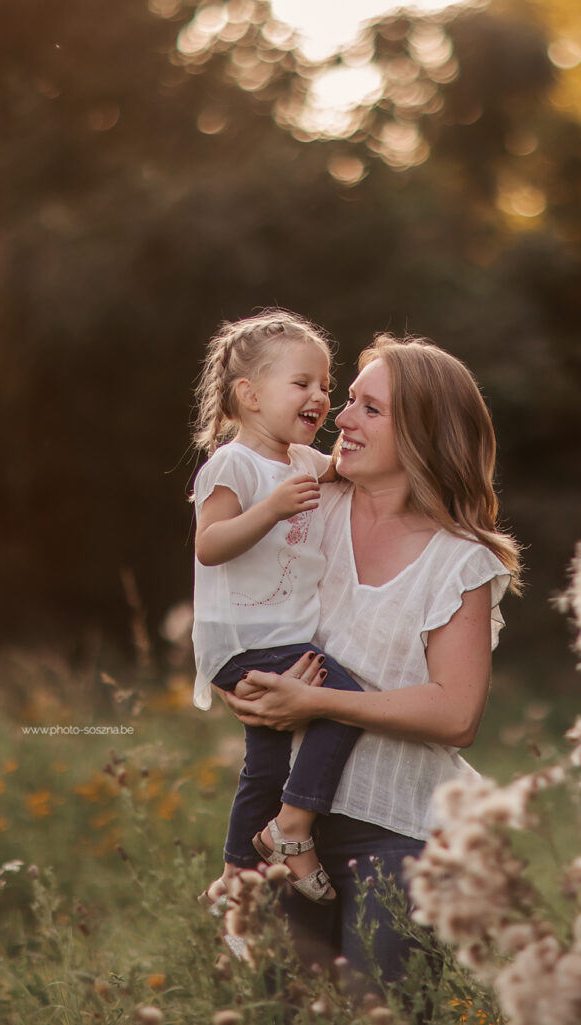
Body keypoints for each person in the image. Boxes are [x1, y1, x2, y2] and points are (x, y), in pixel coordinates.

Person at [219, 333, 522, 1002]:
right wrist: (251, 687)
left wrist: (320, 704)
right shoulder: (306, 508)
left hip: (400, 835)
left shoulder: (459, 561)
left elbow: (456, 712)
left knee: (378, 1010)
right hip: (283, 828)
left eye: (370, 409)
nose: (342, 418)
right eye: (348, 401)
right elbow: (239, 606)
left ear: (423, 432)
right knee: (278, 1010)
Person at [190, 309, 369, 906]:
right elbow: (209, 545)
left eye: (326, 384)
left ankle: (237, 876)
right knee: (344, 702)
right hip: (244, 636)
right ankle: (292, 829)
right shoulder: (233, 463)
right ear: (250, 394)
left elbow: (346, 469)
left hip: (277, 635)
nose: (320, 396)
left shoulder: (299, 461)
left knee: (264, 764)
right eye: (302, 384)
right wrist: (270, 510)